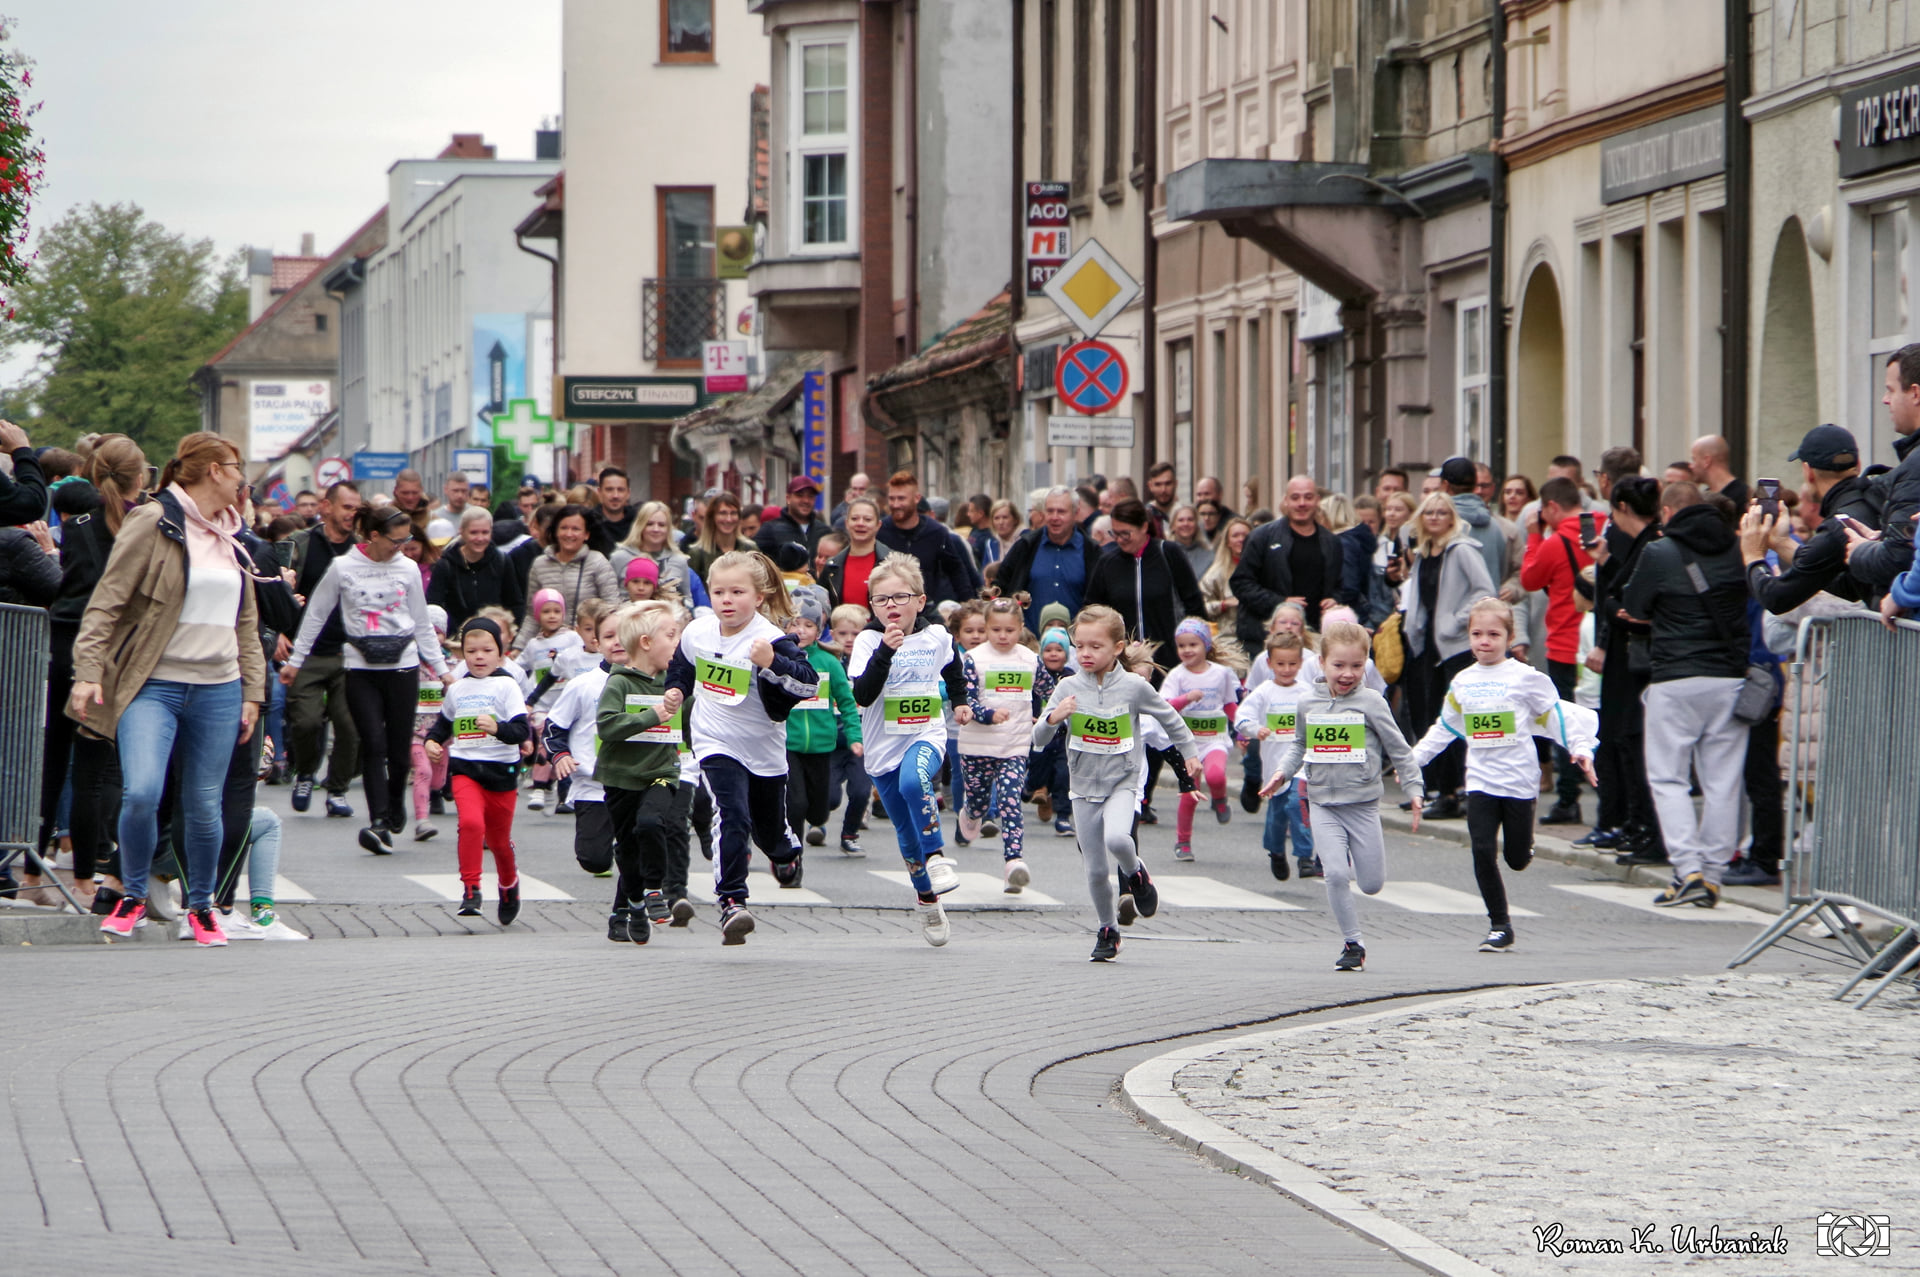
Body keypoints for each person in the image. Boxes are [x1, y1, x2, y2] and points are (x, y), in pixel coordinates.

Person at [72, 432, 268, 944]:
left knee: (204, 803)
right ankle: (132, 894)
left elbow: (245, 621)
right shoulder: (153, 522)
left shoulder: (231, 533)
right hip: (154, 683)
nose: (243, 477)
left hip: (218, 687)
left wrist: (252, 690)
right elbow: (106, 603)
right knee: (142, 791)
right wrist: (88, 672)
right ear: (214, 471)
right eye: (237, 466)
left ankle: (201, 907)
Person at [1410, 598, 1598, 952]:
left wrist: (1580, 749)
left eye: (1493, 634)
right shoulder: (1463, 682)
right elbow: (1445, 728)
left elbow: (1558, 716)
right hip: (1480, 780)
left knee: (1516, 859)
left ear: (1509, 638)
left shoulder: (1526, 678)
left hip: (1519, 781)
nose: (1484, 641)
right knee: (1481, 850)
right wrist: (1412, 761)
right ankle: (1500, 925)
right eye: (1477, 633)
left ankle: (1524, 842)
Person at [1032, 605, 1201, 962]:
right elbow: (1038, 739)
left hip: (1123, 780)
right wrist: (1053, 717)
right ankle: (1108, 929)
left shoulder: (1134, 687)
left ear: (1118, 647)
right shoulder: (1067, 686)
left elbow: (1169, 717)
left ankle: (1136, 874)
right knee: (1094, 869)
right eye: (1080, 646)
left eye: (1095, 646)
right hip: (1082, 786)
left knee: (1118, 838)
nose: (1085, 654)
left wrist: (1189, 752)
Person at [283, 503, 453, 856]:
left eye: (406, 539)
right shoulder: (343, 567)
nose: (401, 547)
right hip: (361, 666)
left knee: (398, 747)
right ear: (373, 536)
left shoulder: (406, 569)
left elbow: (422, 623)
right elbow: (316, 614)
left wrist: (443, 670)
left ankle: (395, 805)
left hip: (403, 666)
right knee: (372, 744)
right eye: (395, 540)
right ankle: (378, 823)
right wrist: (296, 661)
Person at [664, 549, 817, 942]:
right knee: (732, 815)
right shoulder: (698, 631)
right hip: (715, 741)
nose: (727, 601)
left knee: (771, 836)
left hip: (764, 749)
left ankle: (785, 854)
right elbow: (681, 664)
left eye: (737, 592)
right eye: (718, 593)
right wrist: (676, 692)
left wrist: (773, 663)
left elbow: (808, 684)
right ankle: (732, 901)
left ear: (759, 597)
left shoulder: (770, 638)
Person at [1260, 620, 1423, 971]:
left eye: (1356, 666)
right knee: (1334, 874)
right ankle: (1353, 942)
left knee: (1372, 884)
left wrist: (1413, 789)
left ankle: (1360, 878)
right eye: (1338, 665)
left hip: (1362, 806)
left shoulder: (1372, 702)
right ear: (1321, 663)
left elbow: (1400, 749)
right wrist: (1281, 773)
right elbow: (1299, 746)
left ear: (1365, 664)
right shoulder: (1307, 703)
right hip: (1321, 802)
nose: (1347, 673)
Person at [1621, 482, 1750, 909]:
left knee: (1668, 777)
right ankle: (1712, 876)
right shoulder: (1737, 547)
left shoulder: (1660, 552)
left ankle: (1688, 868)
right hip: (1729, 678)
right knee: (1723, 783)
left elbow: (1635, 605)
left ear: (1669, 511)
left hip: (1675, 676)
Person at [35, 435, 144, 911]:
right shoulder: (146, 526)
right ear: (138, 479)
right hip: (114, 649)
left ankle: (37, 862)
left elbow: (67, 584)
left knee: (55, 759)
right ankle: (88, 874)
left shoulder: (76, 524)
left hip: (68, 640)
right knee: (95, 768)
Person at [848, 555, 971, 946]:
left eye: (900, 597)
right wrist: (885, 650)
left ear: (920, 601)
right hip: (883, 748)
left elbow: (954, 667)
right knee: (905, 836)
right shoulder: (868, 641)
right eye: (881, 600)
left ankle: (937, 858)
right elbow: (863, 695)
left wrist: (960, 701)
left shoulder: (936, 636)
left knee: (915, 781)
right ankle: (927, 899)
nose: (891, 606)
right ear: (872, 606)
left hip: (925, 734)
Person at [591, 600, 690, 944]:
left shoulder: (674, 685)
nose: (678, 644)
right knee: (627, 849)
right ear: (646, 643)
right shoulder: (619, 683)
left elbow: (693, 723)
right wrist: (653, 715)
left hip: (662, 771)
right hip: (621, 777)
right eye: (671, 635)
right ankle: (632, 904)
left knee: (651, 823)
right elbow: (606, 726)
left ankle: (653, 890)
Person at [423, 618, 531, 923]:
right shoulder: (458, 689)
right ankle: (471, 890)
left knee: (498, 841)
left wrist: (497, 728)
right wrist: (432, 742)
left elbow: (521, 731)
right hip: (465, 769)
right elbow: (443, 726)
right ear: (462, 655)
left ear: (501, 653)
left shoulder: (507, 684)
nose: (479, 657)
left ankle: (509, 884)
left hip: (501, 772)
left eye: (487, 650)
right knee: (470, 824)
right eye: (471, 651)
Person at [1399, 492, 1498, 821]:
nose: (1436, 518)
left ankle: (1461, 789)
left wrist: (1459, 620)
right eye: (1430, 513)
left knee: (1457, 718)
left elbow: (1485, 590)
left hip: (1454, 645)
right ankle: (1441, 788)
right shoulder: (1424, 552)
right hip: (1427, 643)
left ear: (1452, 518)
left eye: (1443, 513)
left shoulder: (1463, 550)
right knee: (1432, 717)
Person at [1585, 477, 1664, 864]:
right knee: (1625, 742)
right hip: (1627, 656)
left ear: (1622, 509)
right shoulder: (1639, 544)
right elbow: (1621, 589)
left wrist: (1617, 607)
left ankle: (1646, 827)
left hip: (1638, 660)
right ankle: (1636, 825)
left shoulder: (1652, 542)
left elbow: (1630, 598)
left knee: (1635, 744)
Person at [1519, 476, 1603, 825]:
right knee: (1604, 723)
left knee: (1565, 726)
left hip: (1566, 645)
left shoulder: (1554, 543)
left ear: (1552, 507)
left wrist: (1535, 535)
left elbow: (1529, 579)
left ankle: (1568, 799)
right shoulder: (1606, 531)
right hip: (1601, 643)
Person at [285, 481, 364, 818]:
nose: (353, 515)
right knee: (306, 722)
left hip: (349, 653)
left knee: (350, 725)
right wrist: (279, 634)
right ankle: (305, 772)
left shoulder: (362, 549)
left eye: (357, 509)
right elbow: (275, 592)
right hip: (307, 653)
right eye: (347, 507)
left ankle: (337, 789)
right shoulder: (300, 545)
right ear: (326, 506)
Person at [1743, 424, 1875, 614]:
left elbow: (1776, 598)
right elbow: (1847, 587)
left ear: (1809, 472)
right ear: (1858, 465)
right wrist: (1783, 543)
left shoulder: (1835, 528)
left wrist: (1753, 556)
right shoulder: (1873, 502)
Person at [957, 596, 1039, 892]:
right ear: (987, 628)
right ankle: (971, 812)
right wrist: (988, 715)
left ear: (1020, 629)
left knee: (1009, 800)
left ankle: (1013, 863)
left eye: (1009, 630)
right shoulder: (973, 659)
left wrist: (1050, 714)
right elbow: (965, 700)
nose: (1002, 636)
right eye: (996, 630)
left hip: (1014, 745)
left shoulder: (1029, 659)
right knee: (979, 801)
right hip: (976, 746)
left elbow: (1049, 688)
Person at [1231, 474, 1347, 653]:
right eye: (1295, 497)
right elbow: (1240, 583)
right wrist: (1280, 603)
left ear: (1317, 501)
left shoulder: (1332, 542)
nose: (1302, 503)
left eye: (1308, 497)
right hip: (1265, 639)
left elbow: (1342, 585)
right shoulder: (1261, 537)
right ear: (1286, 501)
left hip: (1314, 639)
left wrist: (1335, 600)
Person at [783, 587, 860, 851]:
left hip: (822, 745)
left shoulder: (829, 662)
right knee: (795, 804)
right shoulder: (777, 659)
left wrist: (855, 737)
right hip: (787, 744)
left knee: (820, 809)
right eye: (794, 623)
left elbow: (847, 703)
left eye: (808, 625)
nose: (801, 630)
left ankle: (817, 821)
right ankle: (791, 857)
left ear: (819, 629)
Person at [1159, 618, 1240, 860]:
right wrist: (1187, 699)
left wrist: (1243, 728)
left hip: (1215, 739)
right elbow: (1165, 705)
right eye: (1181, 646)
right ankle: (1183, 842)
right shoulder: (1177, 675)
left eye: (1192, 644)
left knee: (1216, 775)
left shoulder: (1221, 673)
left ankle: (1219, 798)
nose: (1186, 650)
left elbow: (1229, 704)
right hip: (1188, 745)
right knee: (1189, 792)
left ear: (1205, 645)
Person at [1237, 631, 1315, 880]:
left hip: (1302, 766)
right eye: (1280, 664)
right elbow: (1242, 716)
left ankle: (1305, 857)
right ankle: (1276, 850)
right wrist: (1254, 729)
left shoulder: (1307, 692)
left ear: (1301, 663)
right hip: (1275, 767)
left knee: (1298, 804)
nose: (1286, 669)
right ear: (1269, 663)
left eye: (1292, 664)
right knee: (1278, 815)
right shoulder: (1264, 692)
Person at [1845, 345, 1920, 599]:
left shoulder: (1916, 466)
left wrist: (1860, 552)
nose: (1884, 400)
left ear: (1915, 393)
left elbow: (1899, 559)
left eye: (1890, 390)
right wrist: (1883, 540)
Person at [993, 486, 1102, 634]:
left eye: (1061, 511)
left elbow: (1101, 601)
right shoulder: (1026, 546)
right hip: (1030, 644)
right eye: (1050, 511)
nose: (1055, 517)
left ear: (1076, 513)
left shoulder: (1091, 551)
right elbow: (1001, 586)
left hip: (1076, 646)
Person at [514, 505, 622, 651]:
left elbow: (613, 608)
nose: (569, 534)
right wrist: (518, 648)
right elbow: (532, 615)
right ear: (556, 531)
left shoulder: (597, 562)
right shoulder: (539, 565)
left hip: (588, 648)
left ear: (586, 534)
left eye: (576, 529)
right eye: (564, 528)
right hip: (548, 649)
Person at [876, 470, 980, 607]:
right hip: (889, 609)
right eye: (892, 498)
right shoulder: (880, 531)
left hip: (927, 611)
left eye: (901, 499)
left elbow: (957, 572)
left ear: (917, 498)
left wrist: (968, 606)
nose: (895, 504)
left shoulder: (936, 532)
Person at [824, 602, 874, 856]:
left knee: (860, 791)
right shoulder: (829, 663)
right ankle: (817, 822)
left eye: (855, 634)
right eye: (843, 634)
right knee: (829, 797)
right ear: (832, 634)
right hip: (831, 739)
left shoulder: (869, 663)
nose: (849, 640)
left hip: (860, 740)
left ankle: (849, 834)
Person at [428, 506, 525, 634]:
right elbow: (433, 606)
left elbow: (514, 603)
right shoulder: (445, 565)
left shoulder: (502, 561)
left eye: (485, 532)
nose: (480, 538)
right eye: (474, 532)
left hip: (494, 637)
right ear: (462, 532)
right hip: (455, 638)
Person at [611, 500, 694, 595]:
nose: (656, 529)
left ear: (669, 529)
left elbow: (688, 599)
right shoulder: (619, 557)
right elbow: (610, 597)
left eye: (661, 525)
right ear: (640, 526)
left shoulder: (679, 560)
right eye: (649, 524)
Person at [1199, 516, 1252, 638]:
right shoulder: (1215, 574)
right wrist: (1223, 605)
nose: (1241, 539)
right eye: (1235, 536)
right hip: (1228, 638)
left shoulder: (1264, 568)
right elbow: (1200, 607)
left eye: (1245, 535)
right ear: (1227, 542)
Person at [757, 474, 831, 560]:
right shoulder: (769, 530)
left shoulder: (824, 531)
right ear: (788, 498)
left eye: (810, 496)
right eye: (799, 495)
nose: (806, 500)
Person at [686, 491, 746, 582]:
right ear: (712, 517)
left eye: (733, 513)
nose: (729, 519)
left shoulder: (749, 549)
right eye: (723, 513)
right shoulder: (697, 553)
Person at [1688, 435, 1749, 510]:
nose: (1691, 466)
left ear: (1706, 461)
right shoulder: (1702, 498)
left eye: (1694, 459)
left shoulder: (1744, 498)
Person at [585, 467, 635, 557]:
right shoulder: (588, 522)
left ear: (628, 493)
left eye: (620, 490)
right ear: (599, 492)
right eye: (609, 489)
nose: (615, 495)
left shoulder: (639, 523)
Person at [1166, 504, 1212, 578]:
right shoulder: (1164, 554)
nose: (1186, 524)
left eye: (1190, 520)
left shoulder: (1209, 556)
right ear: (1172, 526)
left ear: (1196, 524)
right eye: (1181, 520)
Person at [1146, 460, 1178, 526]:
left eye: (1168, 483)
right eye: (1158, 484)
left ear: (1176, 484)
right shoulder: (1144, 517)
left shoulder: (1186, 516)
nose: (1163, 490)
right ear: (1150, 486)